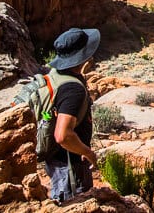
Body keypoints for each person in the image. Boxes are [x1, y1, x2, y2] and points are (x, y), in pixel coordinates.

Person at [47, 27, 100, 203]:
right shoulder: (72, 89)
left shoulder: (56, 75)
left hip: (56, 160)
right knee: (75, 203)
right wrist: (88, 152)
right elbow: (63, 135)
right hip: (70, 164)